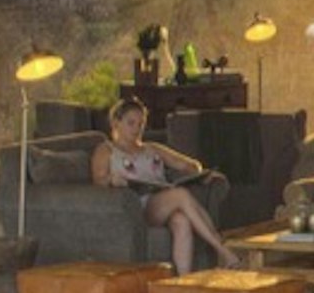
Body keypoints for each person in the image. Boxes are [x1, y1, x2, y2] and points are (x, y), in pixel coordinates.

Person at [94, 96, 237, 274]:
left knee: (181, 220)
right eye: (131, 123)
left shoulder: (152, 148)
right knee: (180, 195)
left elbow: (190, 165)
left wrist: (200, 175)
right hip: (136, 206)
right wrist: (112, 180)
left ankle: (182, 282)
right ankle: (221, 249)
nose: (137, 129)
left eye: (141, 124)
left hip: (160, 200)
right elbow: (98, 181)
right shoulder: (106, 150)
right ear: (116, 123)